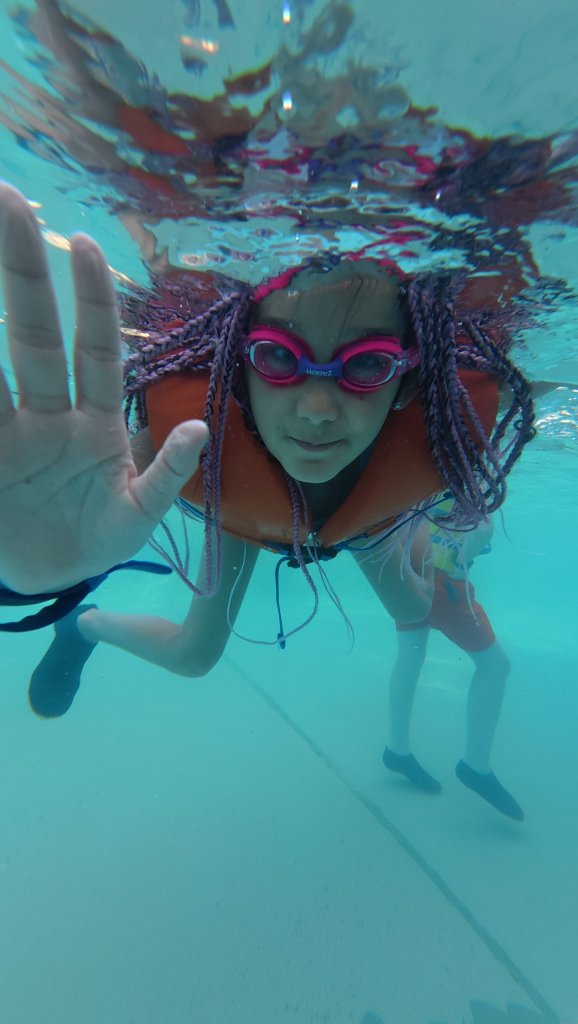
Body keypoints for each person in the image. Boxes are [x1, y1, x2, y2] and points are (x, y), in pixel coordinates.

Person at [0, 183, 534, 813]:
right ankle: (84, 626)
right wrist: (22, 581)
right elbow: (67, 511)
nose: (316, 408)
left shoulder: (444, 430)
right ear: (236, 364)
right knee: (194, 656)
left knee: (417, 602)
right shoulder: (188, 436)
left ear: (410, 379)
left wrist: (458, 538)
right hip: (242, 508)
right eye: (279, 357)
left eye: (366, 368)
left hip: (364, 523)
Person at [382, 508, 523, 819]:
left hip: (409, 570)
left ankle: (397, 749)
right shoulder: (469, 469)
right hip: (445, 583)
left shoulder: (421, 470)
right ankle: (476, 765)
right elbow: (482, 529)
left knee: (409, 656)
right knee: (495, 666)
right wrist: (461, 567)